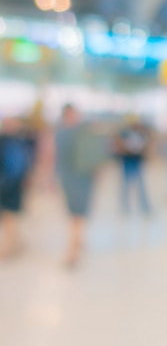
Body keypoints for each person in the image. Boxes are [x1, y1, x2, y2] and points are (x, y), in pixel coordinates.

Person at [55, 105, 97, 267]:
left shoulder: (85, 132)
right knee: (75, 211)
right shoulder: (61, 134)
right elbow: (54, 156)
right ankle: (75, 244)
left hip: (84, 177)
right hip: (69, 177)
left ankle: (76, 243)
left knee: (80, 211)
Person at [0, 117, 35, 258]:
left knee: (10, 214)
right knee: (10, 214)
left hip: (11, 184)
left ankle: (11, 244)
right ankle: (13, 242)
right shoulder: (17, 141)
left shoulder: (17, 141)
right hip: (11, 183)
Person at [115, 117, 152, 215]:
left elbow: (146, 145)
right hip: (127, 160)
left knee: (140, 185)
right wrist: (124, 148)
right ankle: (125, 209)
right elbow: (118, 144)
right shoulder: (124, 133)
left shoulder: (141, 132)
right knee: (126, 186)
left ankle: (145, 209)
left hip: (137, 160)